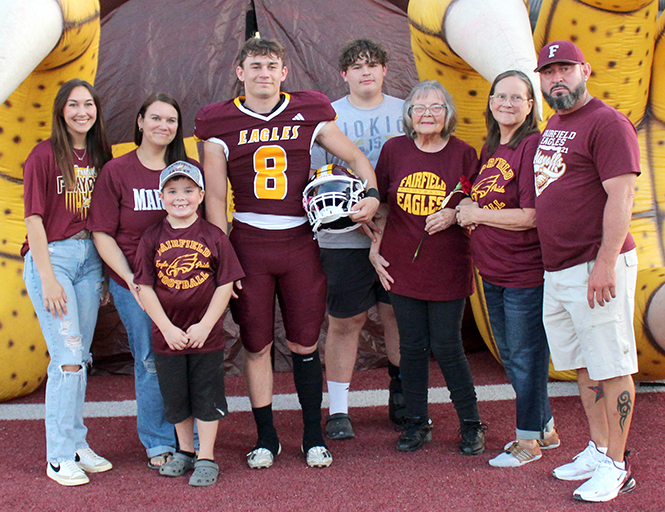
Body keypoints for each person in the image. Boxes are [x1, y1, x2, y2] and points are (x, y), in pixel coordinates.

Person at [195, 37, 379, 469]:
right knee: (256, 346)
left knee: (304, 342)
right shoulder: (218, 120)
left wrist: (370, 193)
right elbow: (216, 199)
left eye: (271, 65)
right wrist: (223, 257)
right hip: (249, 244)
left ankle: (313, 436)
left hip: (300, 244)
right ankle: (266, 437)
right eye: (255, 65)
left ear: (284, 72)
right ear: (240, 73)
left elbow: (355, 155)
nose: (264, 72)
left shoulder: (310, 109)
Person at [533, 40, 639, 502]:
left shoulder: (607, 122)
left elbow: (622, 196)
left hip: (595, 265)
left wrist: (605, 262)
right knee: (582, 365)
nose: (557, 78)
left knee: (612, 367)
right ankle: (598, 450)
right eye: (549, 71)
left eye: (565, 69)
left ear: (586, 71)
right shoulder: (554, 123)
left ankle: (617, 465)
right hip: (559, 269)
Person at [370, 80, 486, 454]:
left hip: (448, 265)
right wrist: (374, 248)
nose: (427, 115)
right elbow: (382, 205)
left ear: (448, 114)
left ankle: (471, 423)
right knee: (412, 346)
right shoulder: (393, 151)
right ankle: (417, 421)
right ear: (408, 115)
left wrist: (453, 214)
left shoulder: (464, 154)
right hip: (402, 264)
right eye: (419, 108)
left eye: (436, 107)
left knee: (448, 346)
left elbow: (475, 206)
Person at [456, 70, 559, 467]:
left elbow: (532, 215)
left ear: (531, 106)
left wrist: (475, 213)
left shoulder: (531, 146)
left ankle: (528, 440)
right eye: (500, 96)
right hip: (494, 270)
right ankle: (545, 428)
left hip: (524, 272)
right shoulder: (494, 145)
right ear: (491, 102)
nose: (507, 104)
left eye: (517, 98)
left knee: (526, 355)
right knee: (513, 355)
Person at [89, 93, 193, 469]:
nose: (163, 126)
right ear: (139, 121)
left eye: (171, 120)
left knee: (188, 356)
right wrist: (131, 278)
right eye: (156, 118)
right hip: (135, 281)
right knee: (151, 359)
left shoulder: (187, 170)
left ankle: (190, 438)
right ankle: (158, 440)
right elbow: (101, 233)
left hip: (185, 280)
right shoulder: (117, 171)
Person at [309, 39, 405, 440]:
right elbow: (318, 180)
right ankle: (340, 409)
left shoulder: (407, 111)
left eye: (373, 64)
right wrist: (354, 213)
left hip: (399, 229)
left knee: (397, 316)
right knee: (345, 320)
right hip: (344, 235)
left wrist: (384, 212)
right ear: (343, 74)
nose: (366, 71)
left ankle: (405, 397)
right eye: (356, 66)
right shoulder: (327, 117)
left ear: (385, 70)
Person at [22, 79, 113, 486]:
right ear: (61, 111)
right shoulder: (43, 155)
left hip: (90, 260)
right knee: (67, 358)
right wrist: (47, 278)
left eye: (88, 104)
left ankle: (77, 442)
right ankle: (58, 456)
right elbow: (34, 221)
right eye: (73, 104)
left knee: (81, 359)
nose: (82, 111)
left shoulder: (98, 154)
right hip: (54, 259)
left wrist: (106, 271)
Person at [133, 161, 244, 486]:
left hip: (204, 337)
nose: (180, 197)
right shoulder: (152, 236)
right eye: (172, 191)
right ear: (161, 195)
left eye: (187, 190)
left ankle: (206, 454)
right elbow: (145, 286)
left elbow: (225, 284)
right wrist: (166, 327)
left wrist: (207, 325)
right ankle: (185, 450)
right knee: (176, 397)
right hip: (167, 336)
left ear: (200, 195)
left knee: (206, 395)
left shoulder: (213, 235)